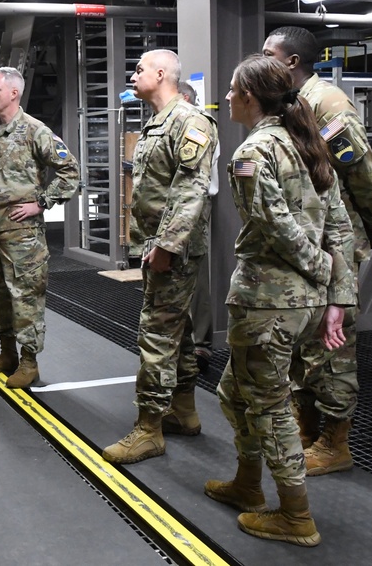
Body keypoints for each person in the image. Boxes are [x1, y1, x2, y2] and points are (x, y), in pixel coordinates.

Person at [205, 54, 356, 547]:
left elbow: (275, 225)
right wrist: (335, 294)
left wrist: (319, 270)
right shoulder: (306, 143)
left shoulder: (253, 152)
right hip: (303, 303)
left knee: (269, 405)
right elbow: (340, 224)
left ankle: (295, 516)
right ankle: (248, 485)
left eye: (232, 90)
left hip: (268, 301)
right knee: (234, 392)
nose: (226, 97)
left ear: (250, 97)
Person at [263, 26, 372, 474]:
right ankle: (306, 426)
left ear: (292, 62)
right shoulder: (287, 105)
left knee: (332, 341)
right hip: (302, 241)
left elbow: (362, 169)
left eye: (268, 54)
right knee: (302, 337)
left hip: (334, 239)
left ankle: (335, 441)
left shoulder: (327, 102)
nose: (262, 60)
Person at [102, 50, 218, 464]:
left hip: (172, 250)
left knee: (155, 334)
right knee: (180, 331)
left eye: (138, 69)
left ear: (162, 73)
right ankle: (183, 412)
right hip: (157, 246)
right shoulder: (157, 123)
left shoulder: (189, 121)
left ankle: (149, 428)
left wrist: (167, 247)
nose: (132, 75)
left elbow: (191, 190)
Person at [0, 66, 80, 388]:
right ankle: (7, 354)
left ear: (14, 93)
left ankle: (29, 363)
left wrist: (41, 202)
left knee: (25, 297)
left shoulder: (36, 131)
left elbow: (71, 173)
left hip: (22, 235)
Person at [178, 80, 217, 375]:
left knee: (196, 276)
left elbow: (192, 182)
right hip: (173, 212)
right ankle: (182, 341)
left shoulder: (197, 127)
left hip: (194, 208)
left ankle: (200, 344)